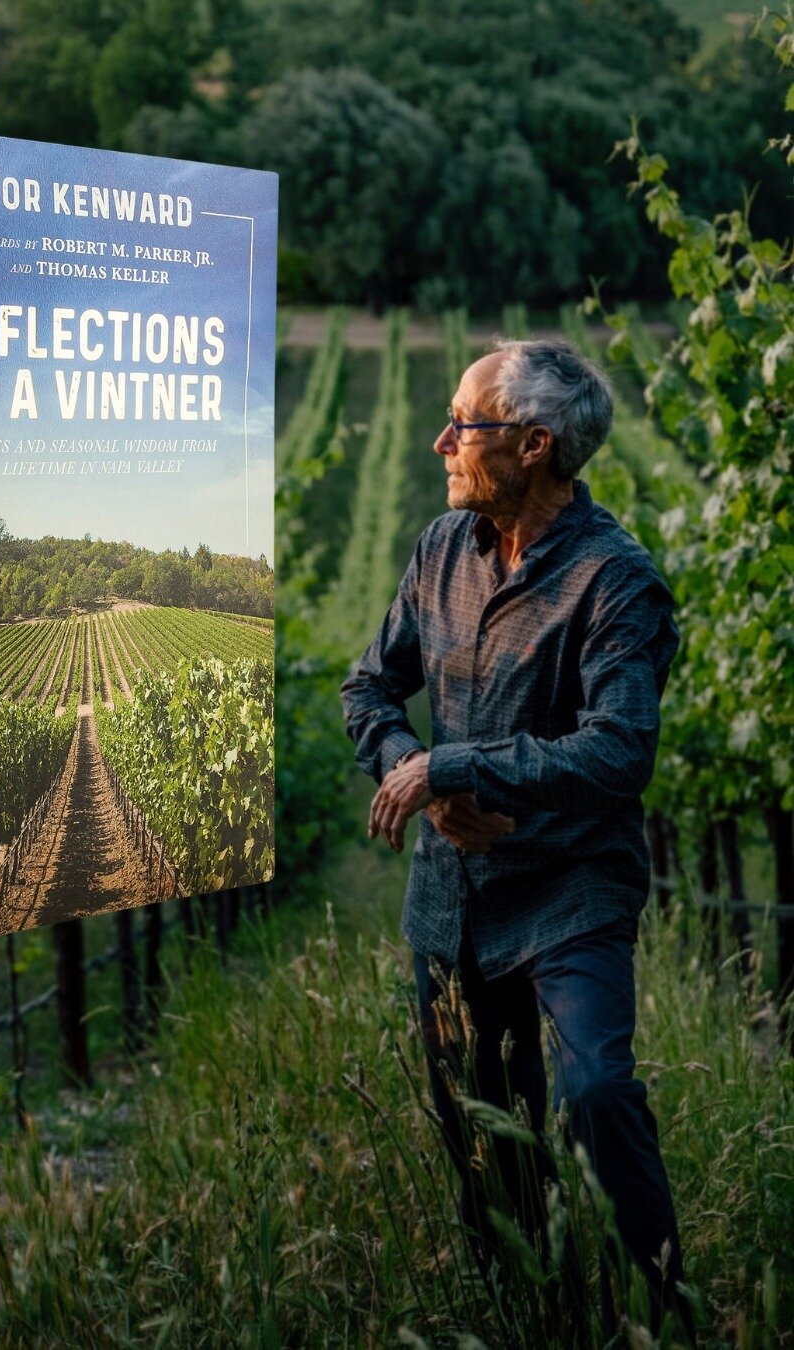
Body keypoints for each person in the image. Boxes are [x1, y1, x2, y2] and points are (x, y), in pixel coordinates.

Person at [339, 338, 694, 1341]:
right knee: (486, 1130)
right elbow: (370, 685)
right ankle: (529, 1307)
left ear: (535, 445)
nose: (440, 440)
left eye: (467, 424)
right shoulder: (442, 549)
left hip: (571, 885)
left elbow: (617, 754)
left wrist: (458, 769)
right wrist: (409, 759)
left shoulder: (618, 584)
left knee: (596, 1091)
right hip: (453, 894)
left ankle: (668, 1307)